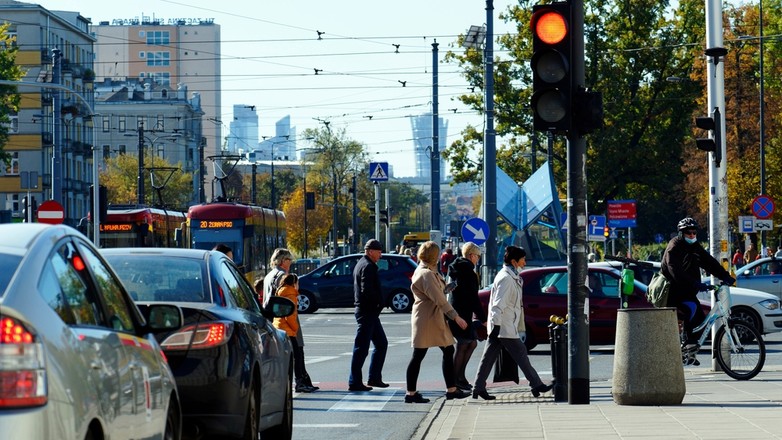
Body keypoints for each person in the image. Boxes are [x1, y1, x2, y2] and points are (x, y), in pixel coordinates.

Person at [472, 246, 553, 400]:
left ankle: (478, 388)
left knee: (489, 357)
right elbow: (497, 304)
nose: (525, 261)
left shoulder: (511, 276)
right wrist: (495, 325)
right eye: (523, 258)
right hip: (503, 326)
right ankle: (536, 384)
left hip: (503, 325)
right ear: (514, 261)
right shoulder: (506, 278)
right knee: (521, 354)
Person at [404, 241, 470, 403]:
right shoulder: (426, 273)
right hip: (428, 318)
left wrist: (447, 288)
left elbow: (436, 293)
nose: (440, 256)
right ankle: (412, 393)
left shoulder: (427, 271)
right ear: (433, 256)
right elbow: (439, 299)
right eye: (437, 253)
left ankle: (450, 389)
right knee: (420, 354)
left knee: (445, 350)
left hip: (430, 317)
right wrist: (456, 317)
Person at [661, 217, 735, 351]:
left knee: (700, 317)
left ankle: (689, 350)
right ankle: (688, 343)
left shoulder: (693, 246)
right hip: (673, 290)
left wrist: (725, 276)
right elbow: (674, 270)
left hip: (686, 290)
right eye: (688, 233)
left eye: (694, 232)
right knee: (693, 310)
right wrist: (695, 283)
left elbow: (708, 262)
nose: (692, 235)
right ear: (681, 233)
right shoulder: (674, 246)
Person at [263, 248, 318, 392]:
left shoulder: (269, 275)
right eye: (289, 260)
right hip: (285, 317)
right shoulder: (282, 275)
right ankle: (301, 381)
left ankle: (301, 380)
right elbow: (285, 299)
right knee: (297, 351)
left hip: (273, 318)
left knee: (283, 354)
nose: (291, 263)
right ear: (282, 261)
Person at [348, 239, 389, 392]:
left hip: (368, 312)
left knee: (381, 344)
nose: (380, 254)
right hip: (367, 312)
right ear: (370, 251)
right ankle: (355, 382)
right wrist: (378, 304)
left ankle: (374, 377)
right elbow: (367, 290)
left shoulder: (362, 263)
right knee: (361, 348)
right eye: (379, 251)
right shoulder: (368, 266)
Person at [447, 241, 487, 392]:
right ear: (471, 256)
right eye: (477, 256)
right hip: (461, 313)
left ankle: (460, 377)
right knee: (464, 343)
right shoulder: (468, 272)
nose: (478, 259)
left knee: (471, 343)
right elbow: (473, 298)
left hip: (458, 311)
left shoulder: (456, 267)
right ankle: (456, 379)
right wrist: (482, 319)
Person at [272, 274, 315, 392]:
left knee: (289, 356)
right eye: (298, 283)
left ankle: (298, 382)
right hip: (288, 330)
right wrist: (295, 329)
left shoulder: (281, 291)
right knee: (297, 356)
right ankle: (299, 383)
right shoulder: (290, 294)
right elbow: (290, 315)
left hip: (279, 327)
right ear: (294, 283)